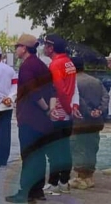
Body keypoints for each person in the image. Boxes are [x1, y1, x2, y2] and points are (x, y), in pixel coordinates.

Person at [6, 34, 53, 203]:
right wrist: (49, 110)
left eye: (17, 46)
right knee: (38, 155)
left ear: (24, 48)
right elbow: (50, 89)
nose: (15, 49)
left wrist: (46, 109)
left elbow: (33, 92)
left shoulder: (27, 67)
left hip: (29, 118)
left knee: (29, 156)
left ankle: (24, 192)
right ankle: (37, 191)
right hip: (41, 121)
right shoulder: (41, 65)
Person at [42, 34, 81, 195]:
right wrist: (74, 107)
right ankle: (64, 182)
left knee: (54, 151)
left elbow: (60, 91)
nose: (43, 48)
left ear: (51, 48)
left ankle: (54, 183)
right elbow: (74, 88)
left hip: (58, 114)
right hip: (68, 114)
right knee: (65, 149)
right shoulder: (69, 63)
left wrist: (67, 109)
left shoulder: (55, 65)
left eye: (45, 45)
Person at [68, 57, 108, 189]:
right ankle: (89, 176)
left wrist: (89, 111)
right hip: (96, 122)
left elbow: (78, 100)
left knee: (78, 148)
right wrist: (99, 111)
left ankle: (81, 178)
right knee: (92, 147)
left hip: (80, 122)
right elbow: (105, 97)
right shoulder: (95, 81)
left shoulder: (73, 82)